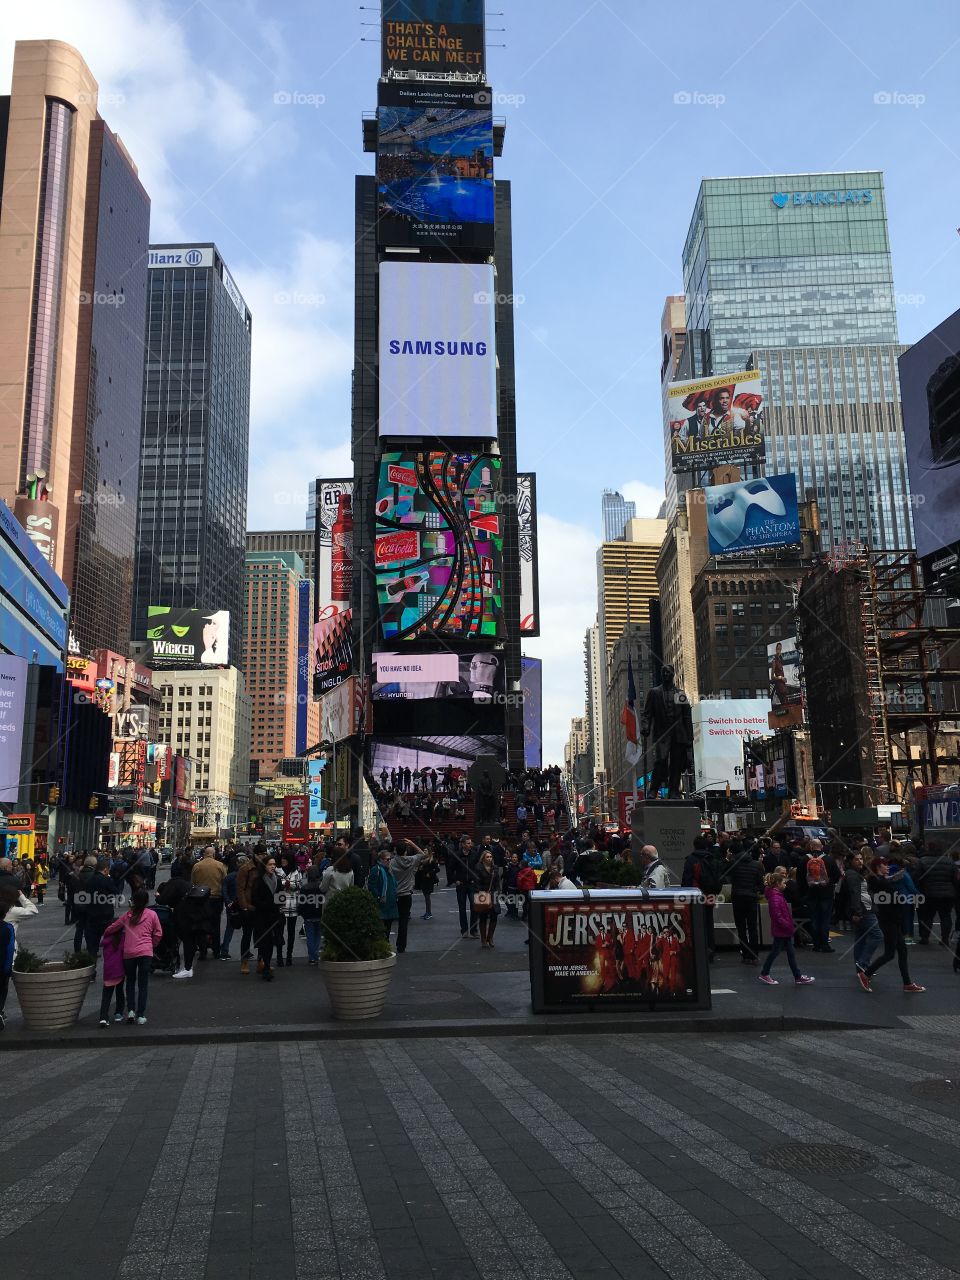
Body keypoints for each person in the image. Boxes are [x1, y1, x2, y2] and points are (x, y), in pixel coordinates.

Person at [860, 856, 926, 993]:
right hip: (888, 920)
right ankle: (866, 974)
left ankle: (907, 983)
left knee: (902, 951)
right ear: (878, 867)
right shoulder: (877, 881)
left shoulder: (880, 880)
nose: (888, 867)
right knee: (890, 954)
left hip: (892, 919)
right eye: (885, 865)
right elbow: (890, 896)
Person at [102, 889, 162, 1024]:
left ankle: (131, 1010)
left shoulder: (126, 916)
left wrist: (107, 932)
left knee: (130, 982)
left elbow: (111, 929)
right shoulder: (152, 915)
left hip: (129, 953)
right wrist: (151, 945)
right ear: (146, 901)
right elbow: (158, 933)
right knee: (143, 984)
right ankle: (141, 1014)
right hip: (145, 952)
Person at [758, 871, 815, 986]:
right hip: (782, 930)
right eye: (783, 883)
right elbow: (777, 916)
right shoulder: (776, 898)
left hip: (783, 930)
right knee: (779, 952)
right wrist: (787, 925)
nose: (785, 885)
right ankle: (766, 973)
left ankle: (797, 976)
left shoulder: (776, 896)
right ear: (778, 884)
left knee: (788, 953)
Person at [845, 848, 884, 990]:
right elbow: (855, 894)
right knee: (877, 935)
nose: (860, 861)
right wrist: (857, 911)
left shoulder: (854, 874)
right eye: (857, 859)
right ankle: (863, 963)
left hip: (862, 909)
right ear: (850, 861)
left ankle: (860, 968)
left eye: (861, 859)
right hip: (864, 910)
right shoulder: (853, 876)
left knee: (860, 938)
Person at [724, 840, 764, 964]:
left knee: (741, 927)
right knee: (752, 927)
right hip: (751, 897)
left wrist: (727, 859)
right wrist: (753, 890)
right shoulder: (757, 865)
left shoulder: (733, 864)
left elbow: (725, 876)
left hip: (738, 897)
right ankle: (754, 954)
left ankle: (745, 954)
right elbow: (761, 885)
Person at [388, 839, 427, 954]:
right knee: (403, 921)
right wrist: (412, 843)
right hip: (406, 894)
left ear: (396, 850)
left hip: (395, 894)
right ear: (406, 851)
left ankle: (386, 943)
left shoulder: (392, 862)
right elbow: (422, 854)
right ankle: (401, 946)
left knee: (389, 920)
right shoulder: (411, 860)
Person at [916, 841, 955, 950]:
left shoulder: (922, 861)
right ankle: (945, 938)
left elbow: (917, 878)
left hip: (928, 893)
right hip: (947, 894)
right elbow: (954, 879)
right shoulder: (949, 862)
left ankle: (925, 937)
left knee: (927, 916)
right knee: (946, 916)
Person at [191, 845, 226, 959]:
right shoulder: (220, 865)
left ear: (204, 854)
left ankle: (203, 950)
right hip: (216, 899)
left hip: (200, 900)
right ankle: (216, 950)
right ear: (214, 854)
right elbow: (224, 881)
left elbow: (193, 882)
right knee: (215, 925)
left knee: (201, 926)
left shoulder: (197, 866)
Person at [251, 856, 282, 981]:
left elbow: (281, 897)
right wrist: (270, 904)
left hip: (274, 915)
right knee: (265, 942)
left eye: (274, 864)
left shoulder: (278, 880)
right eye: (270, 864)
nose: (273, 866)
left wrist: (279, 902)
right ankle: (266, 966)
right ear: (264, 866)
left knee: (270, 942)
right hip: (262, 916)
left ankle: (267, 965)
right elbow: (255, 900)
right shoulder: (258, 881)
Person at [172, 886, 210, 980]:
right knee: (193, 944)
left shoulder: (183, 903)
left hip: (188, 928)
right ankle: (189, 966)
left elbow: (178, 917)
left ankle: (188, 969)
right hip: (198, 926)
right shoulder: (201, 901)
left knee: (188, 946)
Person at [367, 848, 399, 944]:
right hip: (381, 904)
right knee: (381, 928)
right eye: (387, 859)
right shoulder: (376, 869)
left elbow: (393, 884)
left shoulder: (389, 870)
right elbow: (371, 886)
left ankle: (385, 944)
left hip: (390, 903)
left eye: (390, 859)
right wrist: (377, 897)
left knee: (388, 928)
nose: (389, 861)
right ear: (381, 859)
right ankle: (382, 945)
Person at [277, 851, 302, 967]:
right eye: (282, 858)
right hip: (280, 902)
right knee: (279, 932)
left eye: (285, 858)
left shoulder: (296, 871)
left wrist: (288, 884)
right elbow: (275, 885)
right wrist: (286, 884)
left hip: (292, 902)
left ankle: (289, 956)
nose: (283, 860)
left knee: (291, 931)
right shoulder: (277, 870)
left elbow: (299, 885)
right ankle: (279, 956)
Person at [472, 848, 501, 948]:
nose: (489, 858)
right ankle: (483, 939)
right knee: (483, 917)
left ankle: (490, 937)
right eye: (487, 857)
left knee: (494, 916)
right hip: (482, 894)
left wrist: (498, 892)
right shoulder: (478, 867)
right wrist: (481, 892)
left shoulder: (495, 868)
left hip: (493, 894)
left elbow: (497, 882)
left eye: (490, 857)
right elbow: (476, 882)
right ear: (483, 858)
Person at [98, 926, 126, 1026]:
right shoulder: (123, 939)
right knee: (120, 991)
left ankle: (103, 1017)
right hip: (119, 969)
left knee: (106, 995)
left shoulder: (106, 941)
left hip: (108, 971)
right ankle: (118, 1013)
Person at [299, 864, 326, 965]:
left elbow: (301, 903)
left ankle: (312, 957)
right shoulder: (321, 887)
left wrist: (301, 912)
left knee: (310, 936)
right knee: (317, 936)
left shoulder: (305, 888)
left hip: (308, 915)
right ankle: (315, 955)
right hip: (319, 914)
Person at [415, 847, 439, 920]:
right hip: (423, 880)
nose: (424, 852)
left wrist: (430, 873)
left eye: (426, 851)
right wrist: (420, 869)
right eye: (424, 850)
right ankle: (427, 912)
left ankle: (429, 913)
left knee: (427, 897)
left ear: (429, 852)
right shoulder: (422, 860)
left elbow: (437, 869)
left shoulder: (432, 860)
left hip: (429, 881)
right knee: (426, 897)